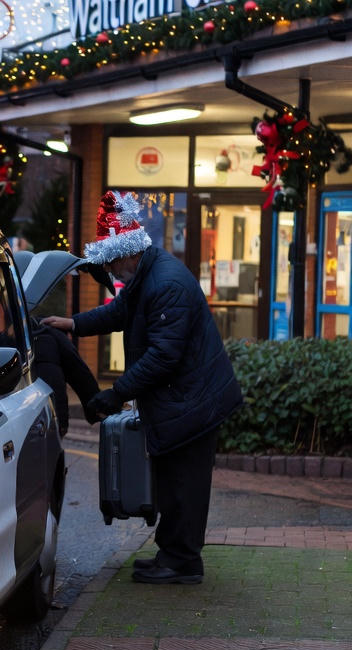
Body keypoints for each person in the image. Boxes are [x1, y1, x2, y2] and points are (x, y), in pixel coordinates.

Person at [43, 190, 242, 585]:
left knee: (185, 485)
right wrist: (75, 324)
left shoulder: (166, 284)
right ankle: (171, 554)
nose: (112, 272)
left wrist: (115, 394)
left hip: (193, 403)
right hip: (181, 399)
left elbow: (163, 356)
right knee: (171, 480)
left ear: (126, 251)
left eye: (113, 263)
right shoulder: (146, 273)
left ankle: (183, 562)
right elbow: (122, 311)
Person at [14, 250, 101, 436]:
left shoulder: (42, 335)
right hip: (50, 421)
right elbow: (80, 374)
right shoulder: (50, 335)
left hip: (38, 422)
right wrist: (97, 408)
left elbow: (79, 373)